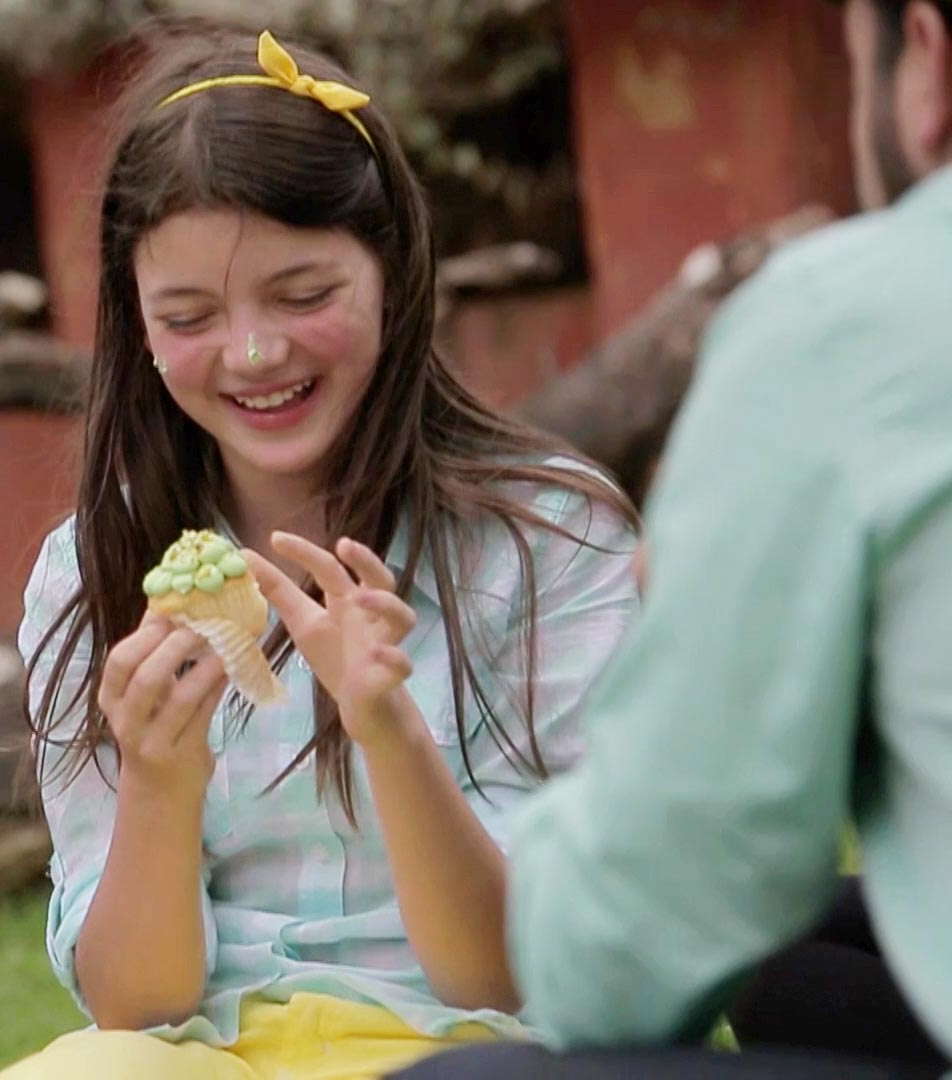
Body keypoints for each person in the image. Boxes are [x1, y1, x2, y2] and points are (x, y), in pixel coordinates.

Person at [0, 23, 640, 1080]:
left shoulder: (550, 540)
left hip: (476, 1047)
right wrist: (159, 780)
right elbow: (136, 1006)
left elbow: (521, 976)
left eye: (303, 296)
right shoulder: (90, 570)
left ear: (393, 271)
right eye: (190, 314)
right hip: (208, 1049)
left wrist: (390, 733)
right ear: (137, 327)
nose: (254, 353)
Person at [396, 1, 952, 1077]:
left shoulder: (845, 321)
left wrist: (713, 625)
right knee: (799, 960)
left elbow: (628, 947)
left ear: (924, 57)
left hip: (617, 899)